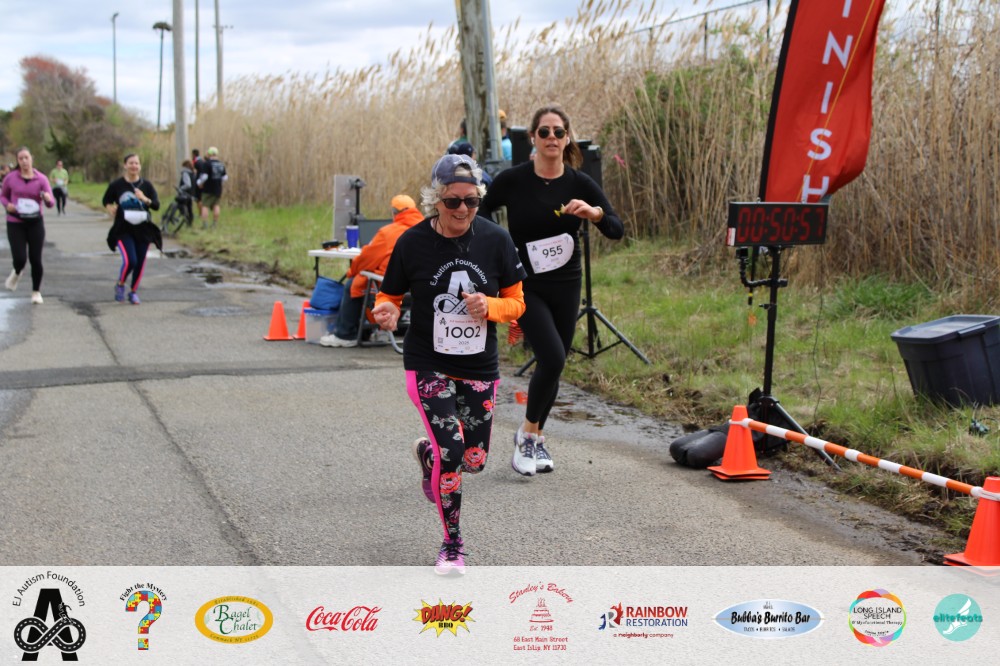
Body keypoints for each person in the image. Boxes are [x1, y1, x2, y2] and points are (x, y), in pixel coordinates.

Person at [372, 154, 526, 574]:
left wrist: (491, 306)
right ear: (434, 200)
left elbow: (517, 303)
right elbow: (389, 295)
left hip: (479, 365)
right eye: (452, 201)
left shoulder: (496, 239)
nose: (462, 209)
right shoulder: (412, 242)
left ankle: (428, 456)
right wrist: (386, 310)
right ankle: (452, 544)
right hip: (427, 362)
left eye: (471, 201)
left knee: (473, 460)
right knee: (452, 451)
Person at [479, 104, 624, 477]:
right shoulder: (513, 180)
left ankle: (537, 436)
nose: (552, 138)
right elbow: (480, 212)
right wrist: (498, 250)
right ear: (532, 137)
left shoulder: (579, 183)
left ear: (567, 137)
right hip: (525, 285)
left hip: (567, 283)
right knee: (555, 357)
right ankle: (527, 435)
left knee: (552, 364)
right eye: (544, 132)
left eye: (559, 132)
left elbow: (616, 227)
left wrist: (593, 214)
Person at [319, 194, 424, 348]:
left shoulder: (388, 232)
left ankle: (345, 334)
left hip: (392, 286)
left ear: (394, 213)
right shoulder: (427, 229)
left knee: (353, 284)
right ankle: (378, 331)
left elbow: (366, 259)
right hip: (417, 287)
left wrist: (351, 271)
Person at [102, 153, 161, 305]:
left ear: (140, 166)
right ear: (125, 165)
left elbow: (156, 205)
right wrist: (110, 208)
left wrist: (144, 199)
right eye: (131, 163)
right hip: (123, 229)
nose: (134, 166)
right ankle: (120, 284)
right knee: (131, 260)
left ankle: (133, 292)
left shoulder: (146, 185)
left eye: (136, 163)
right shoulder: (117, 185)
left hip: (143, 230)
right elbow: (106, 200)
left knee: (140, 263)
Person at [2, 146, 54, 304]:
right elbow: (3, 196)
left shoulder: (41, 179)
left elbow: (51, 202)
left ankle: (36, 291)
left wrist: (47, 198)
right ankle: (17, 271)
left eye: (26, 157)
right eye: (21, 158)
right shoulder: (10, 178)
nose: (24, 161)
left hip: (35, 223)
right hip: (15, 222)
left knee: (35, 259)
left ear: (32, 158)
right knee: (20, 259)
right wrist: (7, 205)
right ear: (17, 161)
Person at [196, 146, 227, 228]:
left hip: (208, 189)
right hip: (218, 189)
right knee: (216, 205)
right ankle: (215, 224)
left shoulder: (207, 164)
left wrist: (199, 183)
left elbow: (204, 177)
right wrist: (219, 183)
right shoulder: (221, 164)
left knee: (205, 206)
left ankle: (205, 224)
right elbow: (225, 178)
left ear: (209, 154)